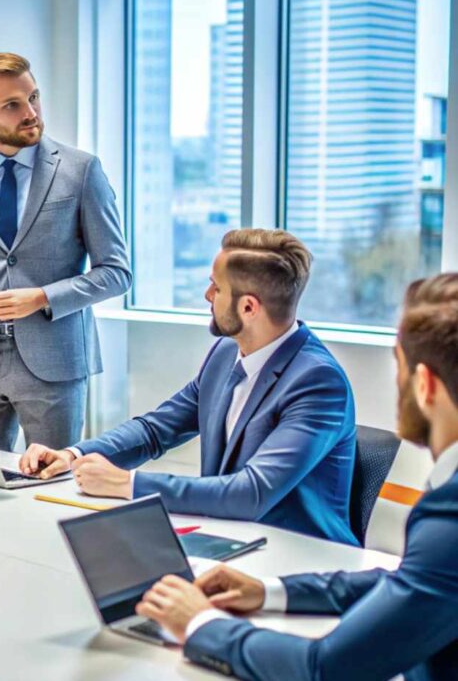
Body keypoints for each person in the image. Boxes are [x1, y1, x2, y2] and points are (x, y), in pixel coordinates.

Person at [137, 272, 458, 681]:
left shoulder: (450, 512)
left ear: (425, 384)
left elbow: (323, 667)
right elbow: (412, 582)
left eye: (398, 369)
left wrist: (201, 624)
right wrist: (272, 591)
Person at [21, 229, 357, 544]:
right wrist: (73, 454)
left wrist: (129, 484)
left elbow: (251, 493)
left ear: (249, 307)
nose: (207, 295)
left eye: (216, 287)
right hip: (228, 537)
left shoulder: (317, 382)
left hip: (298, 556)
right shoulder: (227, 353)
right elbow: (156, 429)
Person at [0, 52, 130, 452]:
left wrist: (41, 298)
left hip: (54, 362)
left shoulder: (82, 170)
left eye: (33, 98)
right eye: (13, 105)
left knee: (49, 487)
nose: (31, 112)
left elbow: (116, 272)